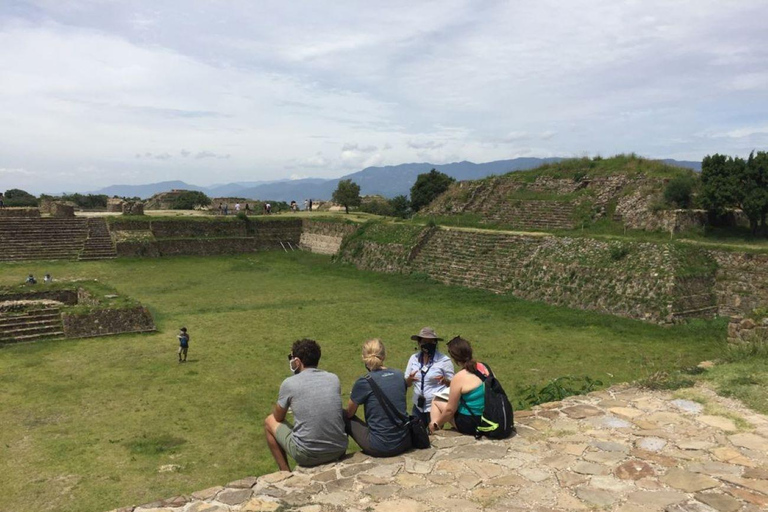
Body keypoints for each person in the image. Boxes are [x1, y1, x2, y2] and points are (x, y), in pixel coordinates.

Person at [264, 339, 348, 471]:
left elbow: (278, 417)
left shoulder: (289, 383)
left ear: (297, 361)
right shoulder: (333, 378)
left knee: (269, 421)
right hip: (338, 449)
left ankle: (284, 472)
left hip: (307, 455)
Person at [346, 339, 411, 457]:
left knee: (343, 415)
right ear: (384, 355)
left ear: (363, 357)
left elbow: (350, 413)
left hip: (380, 446)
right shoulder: (399, 374)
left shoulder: (364, 381)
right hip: (404, 441)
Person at [429, 336, 489, 435]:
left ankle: (434, 428)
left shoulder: (459, 377)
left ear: (454, 358)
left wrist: (437, 423)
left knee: (436, 400)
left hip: (472, 422)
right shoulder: (484, 367)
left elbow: (450, 411)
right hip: (488, 416)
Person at [405, 327, 454, 425]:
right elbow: (407, 383)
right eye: (424, 341)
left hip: (435, 406)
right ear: (419, 343)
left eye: (431, 342)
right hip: (418, 406)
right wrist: (410, 379)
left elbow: (454, 385)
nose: (427, 345)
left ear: (435, 343)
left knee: (434, 434)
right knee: (417, 433)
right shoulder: (413, 359)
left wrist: (445, 381)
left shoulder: (444, 361)